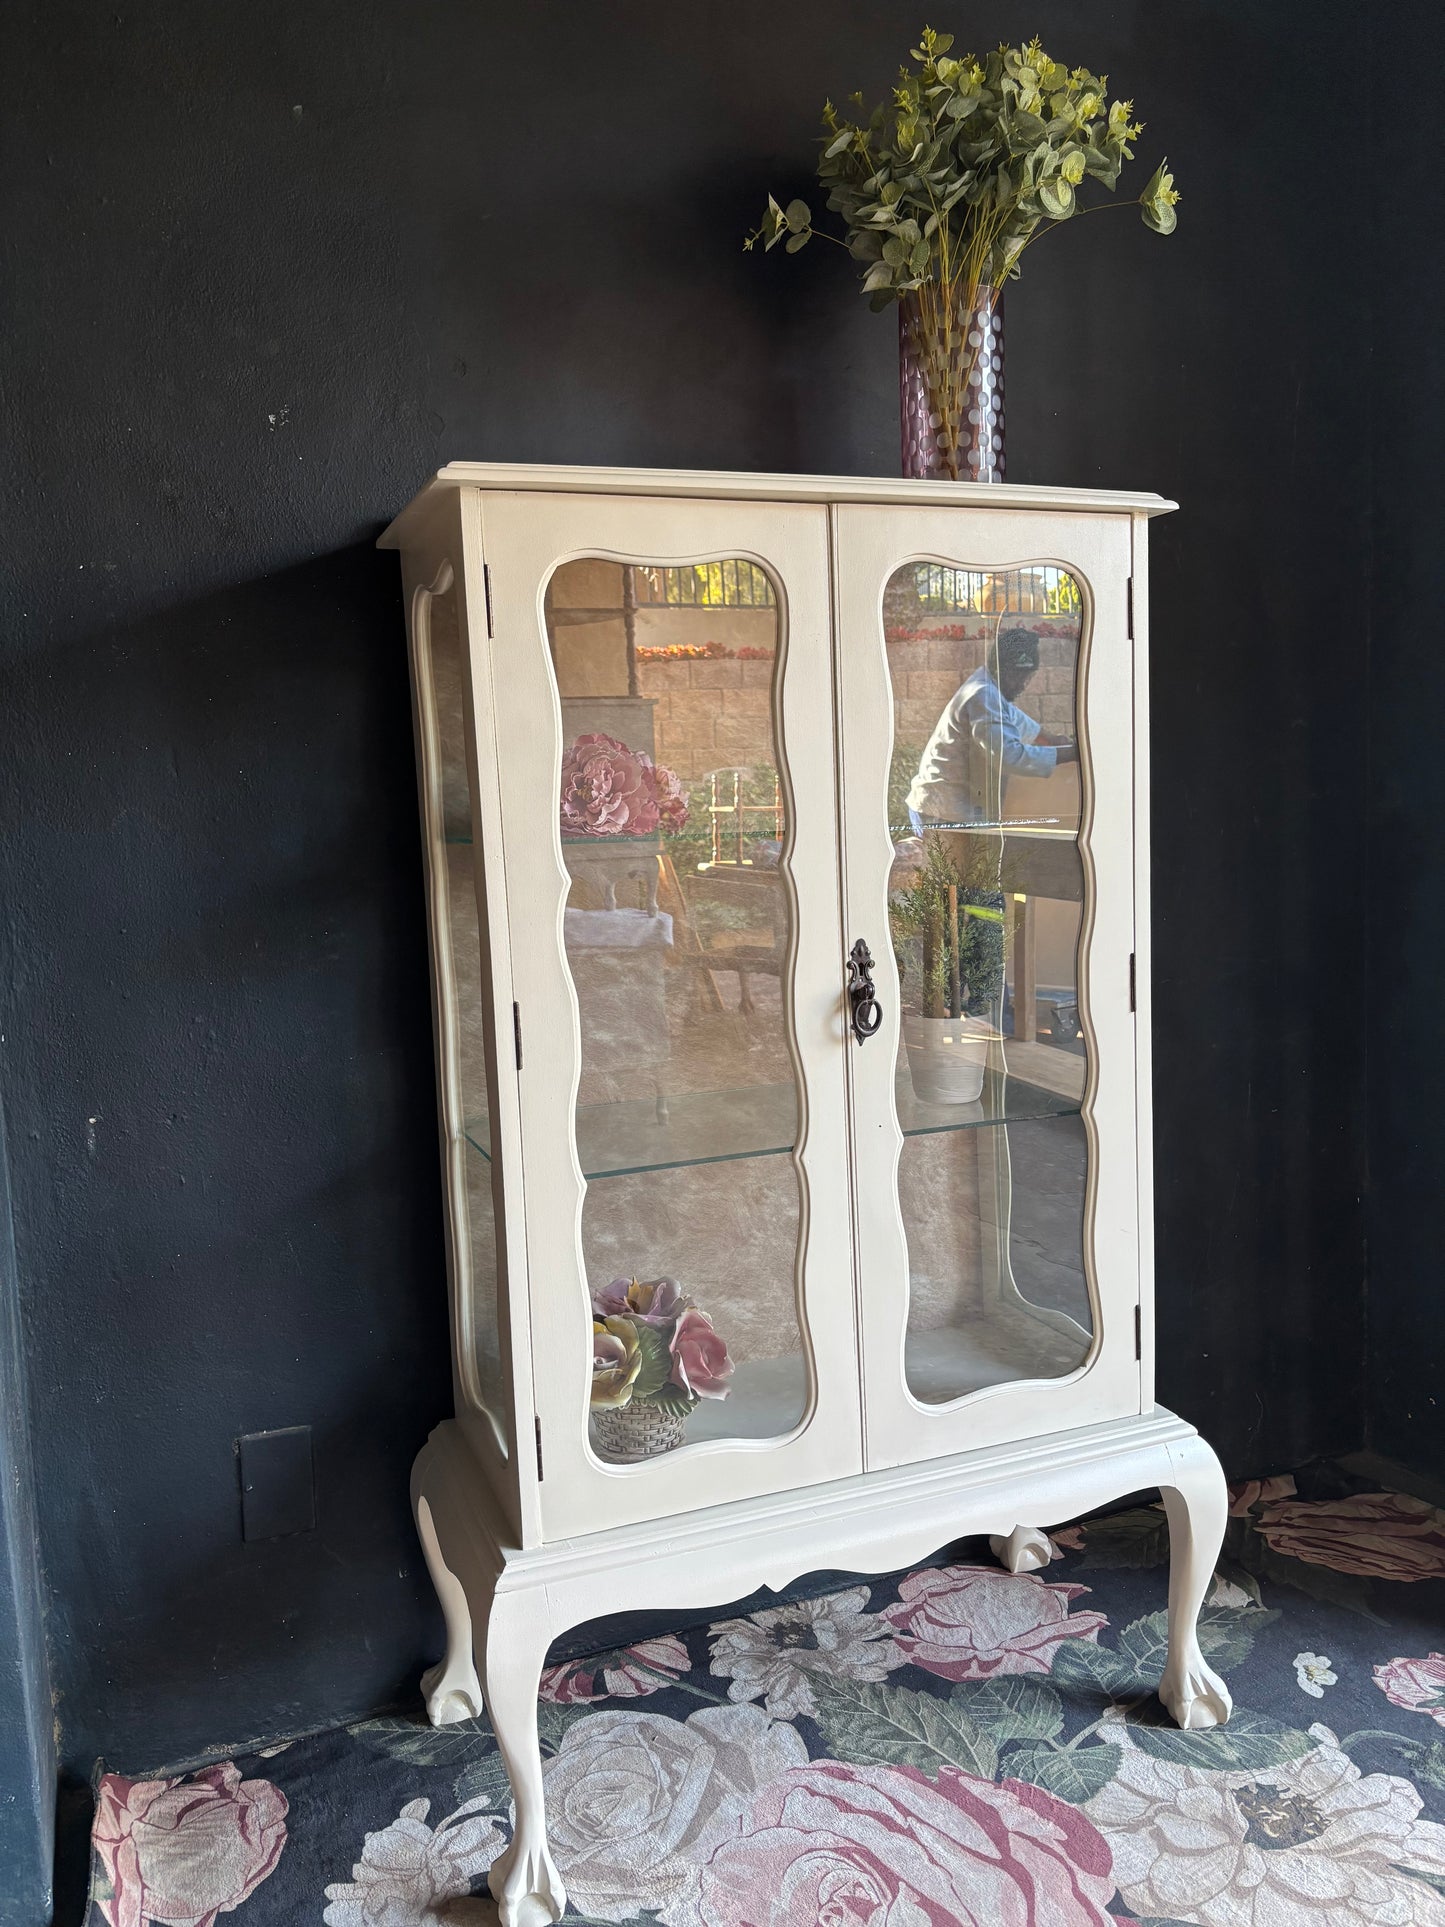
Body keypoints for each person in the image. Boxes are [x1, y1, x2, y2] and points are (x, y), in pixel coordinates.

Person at [905, 626, 1077, 832]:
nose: (1023, 684)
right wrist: (1074, 753)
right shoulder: (983, 695)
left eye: (1028, 677)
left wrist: (1060, 742)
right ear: (1001, 669)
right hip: (941, 810)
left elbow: (1033, 732)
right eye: (1018, 676)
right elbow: (1008, 756)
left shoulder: (991, 689)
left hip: (950, 808)